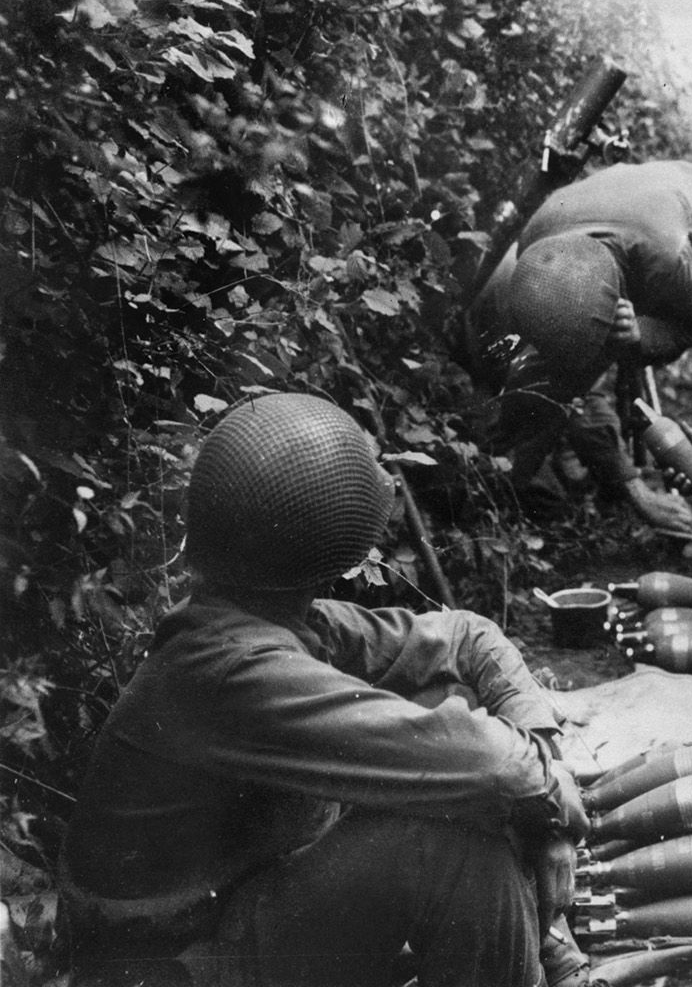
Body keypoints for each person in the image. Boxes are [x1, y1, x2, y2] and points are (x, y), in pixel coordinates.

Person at [58, 393, 591, 987]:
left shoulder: (258, 619)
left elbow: (467, 637)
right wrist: (553, 808)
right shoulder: (233, 670)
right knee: (454, 837)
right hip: (164, 969)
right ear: (335, 556)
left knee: (444, 723)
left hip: (227, 924)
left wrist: (543, 748)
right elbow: (495, 768)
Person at [472, 158, 692, 544]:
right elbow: (573, 377)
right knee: (543, 393)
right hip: (632, 221)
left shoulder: (666, 256)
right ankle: (495, 520)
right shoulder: (539, 260)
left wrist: (641, 334)